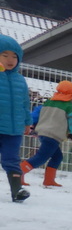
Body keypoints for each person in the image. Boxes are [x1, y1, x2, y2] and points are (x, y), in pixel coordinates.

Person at [21, 80, 72, 188]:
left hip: (43, 133)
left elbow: (37, 113)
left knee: (57, 156)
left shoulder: (48, 102)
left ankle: (49, 180)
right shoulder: (70, 107)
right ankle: (19, 172)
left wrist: (33, 124)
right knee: (41, 157)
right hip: (53, 135)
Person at [0, 34, 32, 202]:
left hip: (13, 130)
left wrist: (27, 122)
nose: (10, 59)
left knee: (12, 159)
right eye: (5, 55)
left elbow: (25, 103)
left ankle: (17, 190)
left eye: (14, 56)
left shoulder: (20, 80)